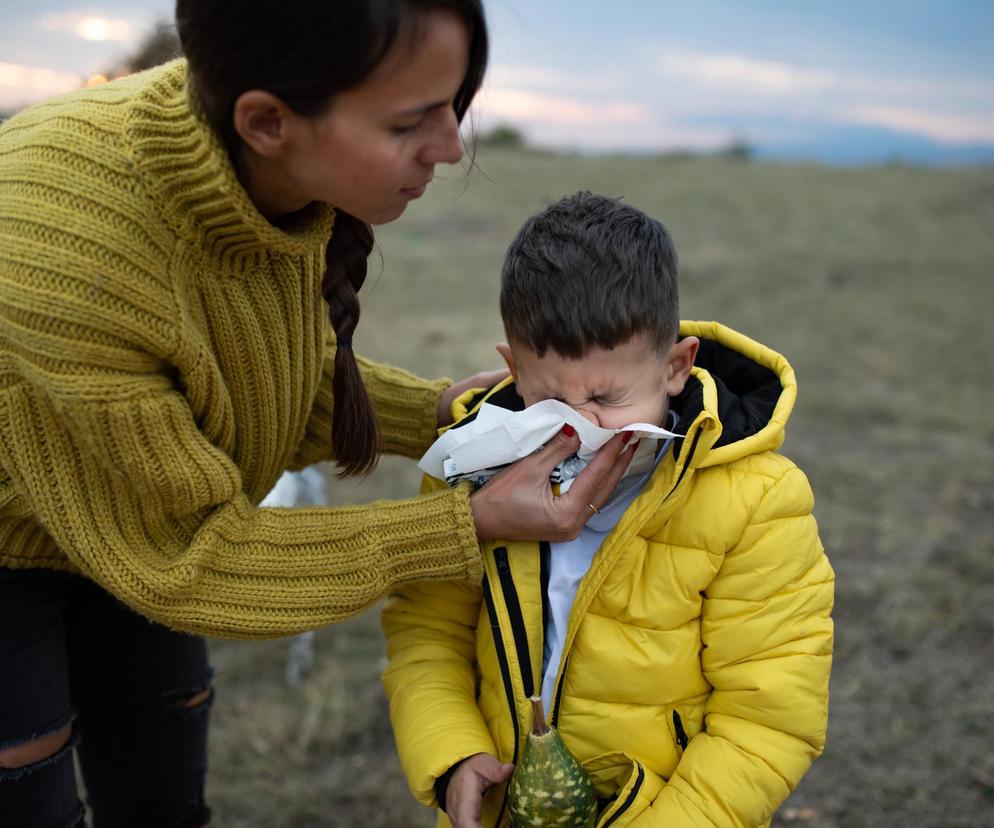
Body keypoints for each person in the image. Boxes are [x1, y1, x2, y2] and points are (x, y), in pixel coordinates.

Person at [0, 3, 637, 825]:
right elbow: (191, 550)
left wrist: (462, 412)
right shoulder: (73, 249)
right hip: (14, 541)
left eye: (454, 104)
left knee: (160, 787)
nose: (449, 147)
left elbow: (239, 383)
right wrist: (463, 525)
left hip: (136, 498)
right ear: (267, 122)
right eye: (411, 121)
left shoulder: (250, 146)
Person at [382, 192, 835, 828]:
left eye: (606, 396)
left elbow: (768, 719)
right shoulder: (475, 473)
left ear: (676, 367)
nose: (578, 427)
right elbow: (428, 633)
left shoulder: (757, 502)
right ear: (510, 369)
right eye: (547, 398)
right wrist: (455, 753)